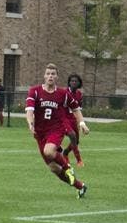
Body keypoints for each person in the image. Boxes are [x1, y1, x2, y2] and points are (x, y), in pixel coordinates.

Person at [25, 63, 89, 198]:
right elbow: (30, 110)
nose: (50, 76)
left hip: (55, 129)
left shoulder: (62, 94)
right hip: (40, 133)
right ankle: (80, 186)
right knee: (54, 168)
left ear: (57, 77)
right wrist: (31, 124)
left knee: (48, 151)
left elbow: (76, 108)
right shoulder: (35, 91)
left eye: (53, 74)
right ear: (44, 75)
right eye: (48, 73)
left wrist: (82, 123)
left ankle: (68, 168)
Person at [61, 73, 85, 166]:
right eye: (72, 81)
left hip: (73, 119)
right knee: (72, 135)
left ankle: (65, 153)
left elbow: (78, 109)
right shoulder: (65, 93)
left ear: (79, 83)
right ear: (69, 83)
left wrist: (81, 122)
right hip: (65, 118)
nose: (74, 82)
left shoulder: (79, 94)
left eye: (76, 81)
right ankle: (79, 160)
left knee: (76, 141)